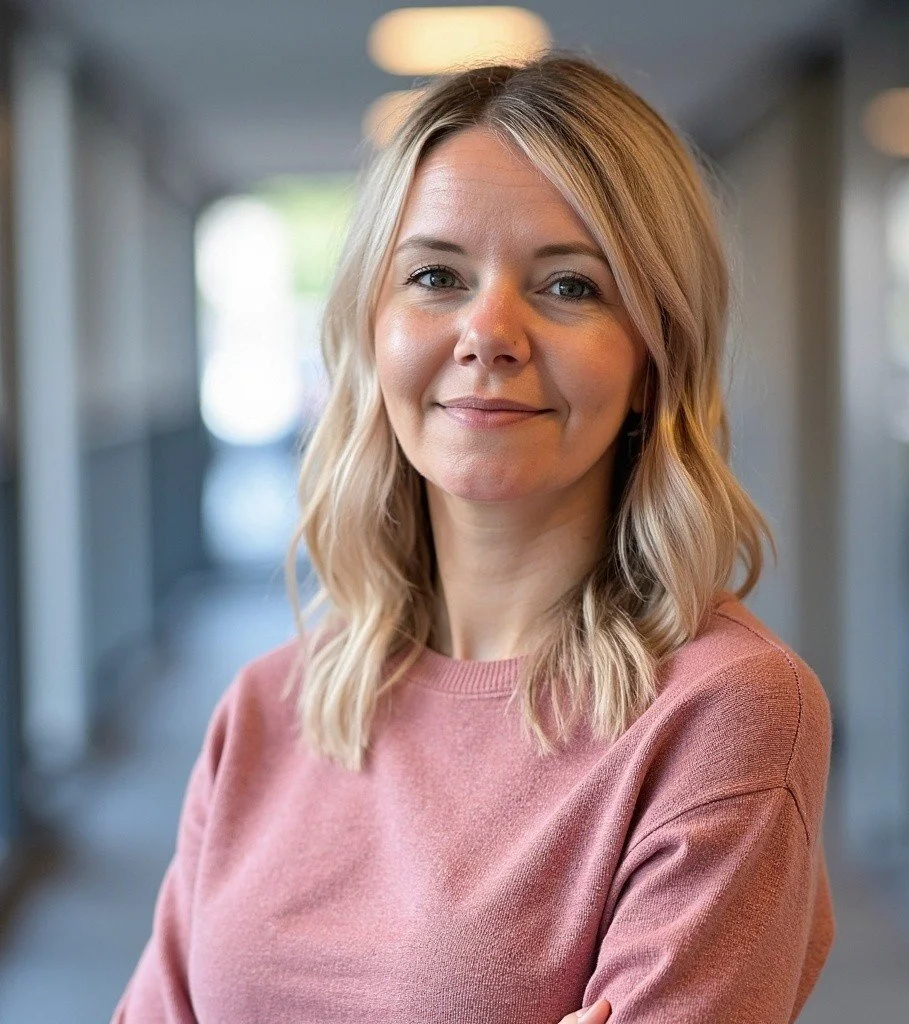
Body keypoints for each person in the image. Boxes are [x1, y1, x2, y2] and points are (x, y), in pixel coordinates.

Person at [113, 53, 835, 1023]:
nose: (488, 332)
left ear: (653, 356)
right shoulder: (267, 708)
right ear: (374, 333)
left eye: (571, 286)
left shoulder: (721, 713)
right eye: (436, 275)